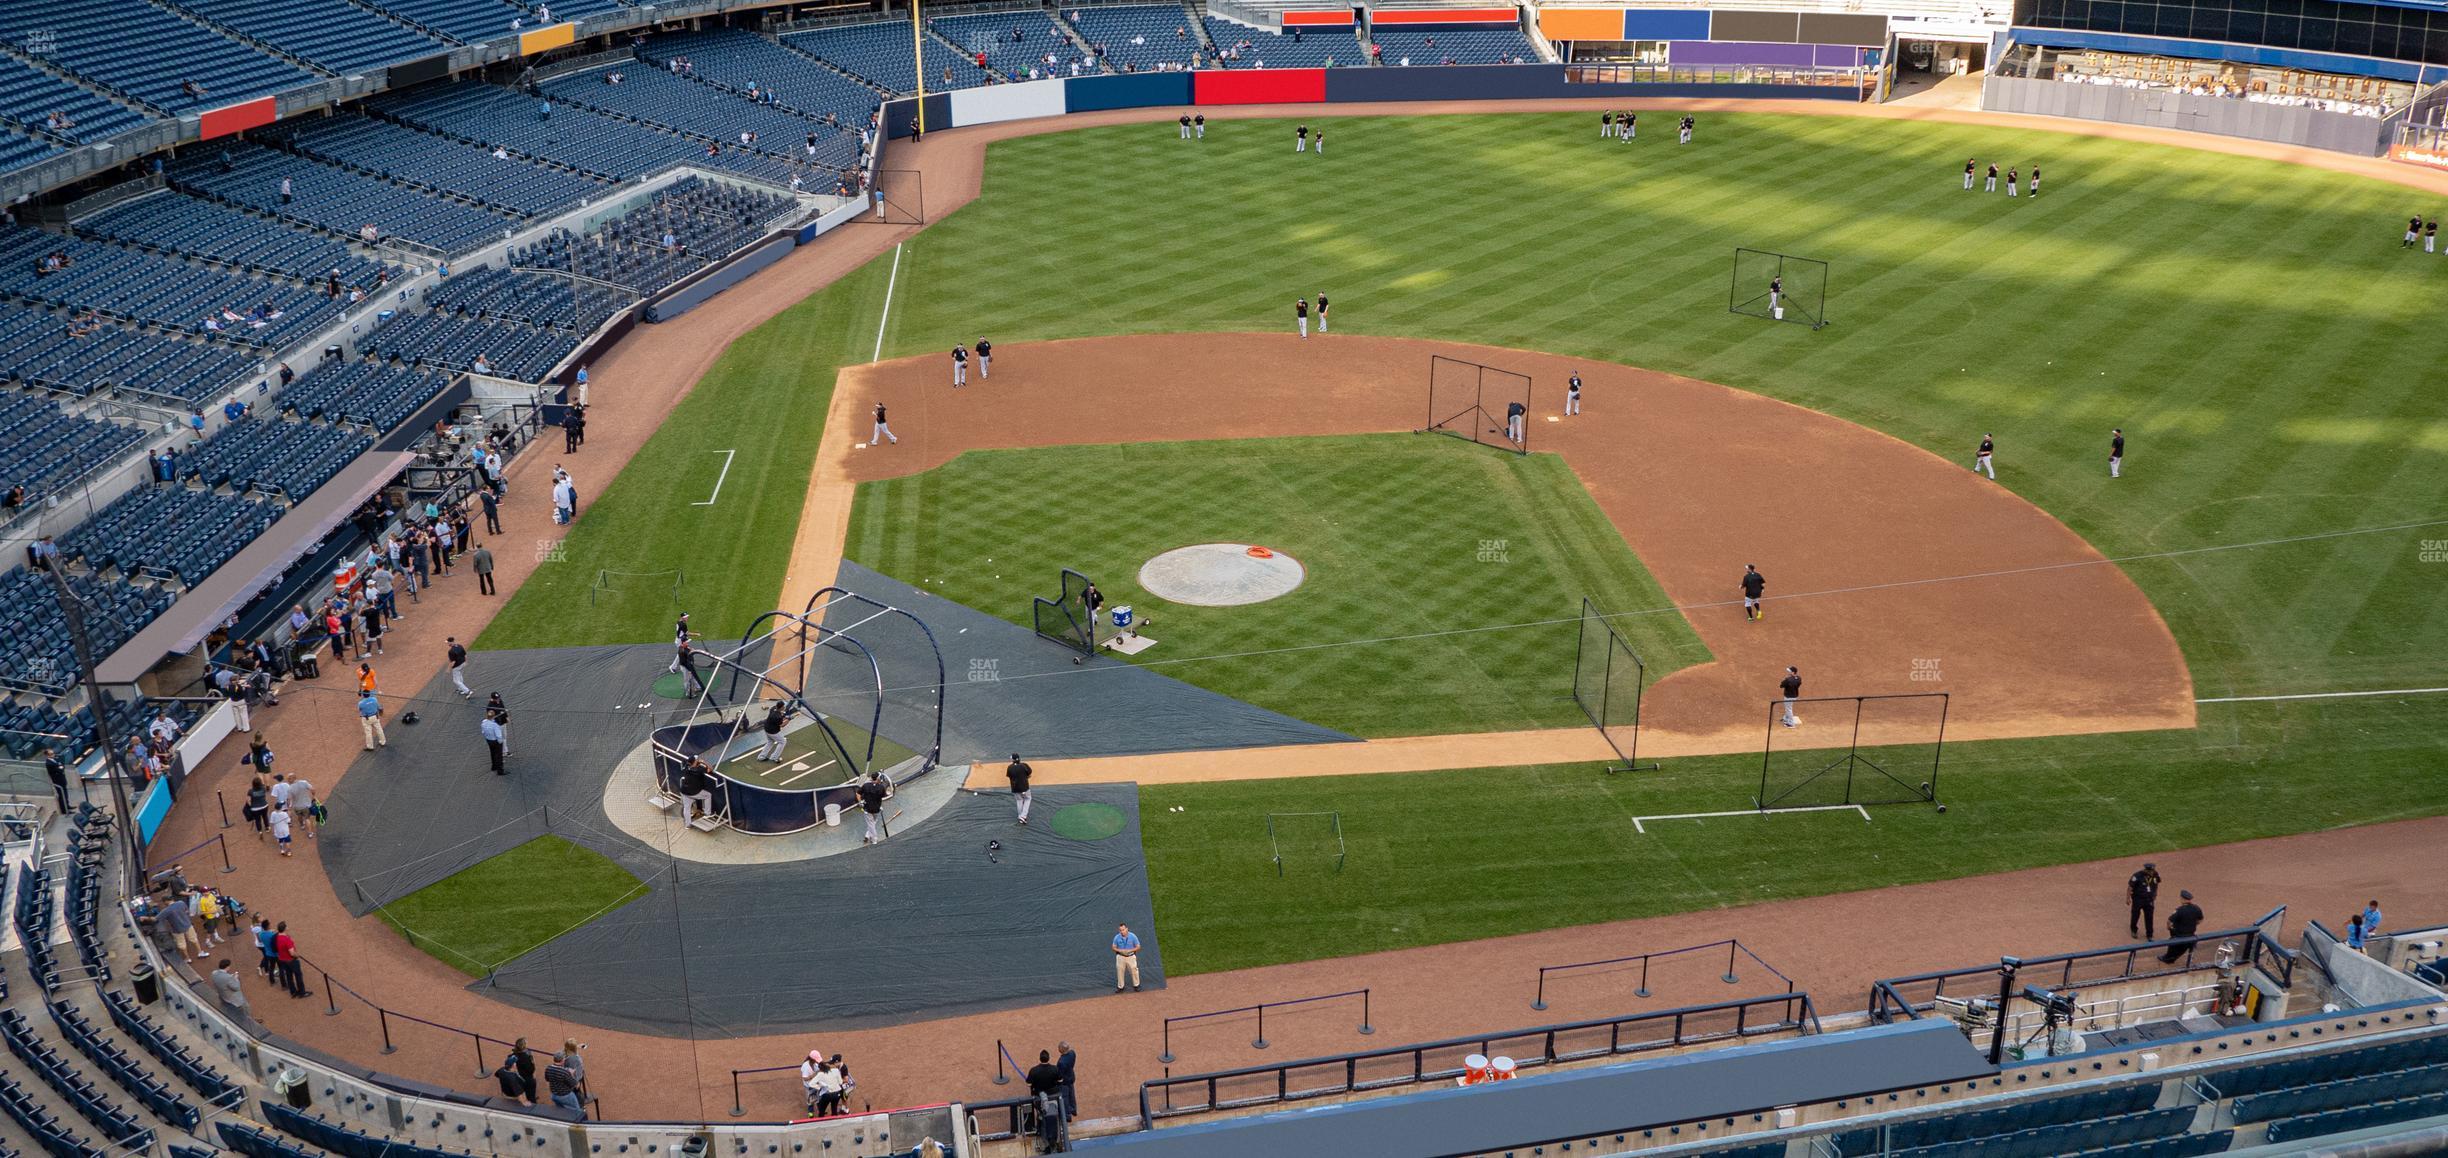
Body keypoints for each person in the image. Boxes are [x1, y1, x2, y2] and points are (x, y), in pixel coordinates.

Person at [2159, 891, 2203, 963]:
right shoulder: (2196, 908)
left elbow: (2169, 921)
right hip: (2191, 934)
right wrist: (2193, 924)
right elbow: (2200, 919)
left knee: (2172, 942)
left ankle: (2168, 958)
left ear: (2182, 898)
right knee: (2183, 946)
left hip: (2179, 935)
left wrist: (2169, 928)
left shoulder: (2179, 910)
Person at [2127, 862, 2161, 939]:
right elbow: (2130, 887)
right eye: (2151, 871)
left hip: (2149, 899)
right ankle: (2133, 930)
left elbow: (2156, 883)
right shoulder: (2137, 876)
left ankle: (2149, 934)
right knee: (2135, 915)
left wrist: (2155, 893)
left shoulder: (2155, 874)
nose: (2152, 872)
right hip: (2138, 899)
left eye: (2153, 871)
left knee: (2149, 917)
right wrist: (2128, 898)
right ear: (2146, 870)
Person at [678, 756, 715, 823]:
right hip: (693, 792)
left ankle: (688, 825)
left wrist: (697, 762)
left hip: (684, 791)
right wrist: (704, 762)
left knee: (687, 808)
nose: (698, 760)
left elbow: (691, 763)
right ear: (695, 762)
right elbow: (710, 769)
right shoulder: (699, 770)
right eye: (697, 759)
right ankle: (707, 813)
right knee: (708, 795)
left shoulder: (686, 767)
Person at [274, 922, 306, 996]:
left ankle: (293, 992)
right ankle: (302, 992)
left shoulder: (278, 937)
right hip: (291, 960)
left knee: (289, 976)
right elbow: (292, 953)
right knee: (298, 976)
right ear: (285, 928)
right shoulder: (287, 939)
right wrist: (297, 955)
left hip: (283, 960)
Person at [857, 773, 888, 844]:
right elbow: (884, 795)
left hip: (867, 809)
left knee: (871, 824)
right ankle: (874, 839)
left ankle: (871, 837)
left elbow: (858, 793)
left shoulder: (866, 785)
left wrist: (860, 802)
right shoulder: (881, 787)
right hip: (877, 809)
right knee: (872, 823)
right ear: (877, 778)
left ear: (871, 778)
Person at [507, 1039, 539, 1105]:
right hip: (527, 1078)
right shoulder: (525, 1057)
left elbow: (509, 1064)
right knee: (531, 1094)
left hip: (518, 1077)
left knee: (523, 1090)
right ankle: (533, 1106)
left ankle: (527, 1099)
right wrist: (532, 1062)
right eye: (526, 1043)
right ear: (523, 1046)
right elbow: (531, 1070)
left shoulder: (512, 1055)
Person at [1112, 923, 1142, 992]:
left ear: (1127, 929)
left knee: (1134, 970)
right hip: (1120, 957)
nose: (1122, 931)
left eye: (1123, 929)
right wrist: (1121, 950)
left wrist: (1130, 950)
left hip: (1131, 956)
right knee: (1120, 972)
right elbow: (1113, 947)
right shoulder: (1117, 937)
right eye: (1120, 930)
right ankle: (1120, 987)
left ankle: (1136, 985)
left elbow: (1138, 947)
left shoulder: (1133, 936)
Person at [1007, 753, 1033, 825]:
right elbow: (1029, 773)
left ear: (1012, 760)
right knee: (1028, 799)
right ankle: (1023, 816)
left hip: (1015, 788)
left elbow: (1010, 776)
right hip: (1025, 788)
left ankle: (1020, 816)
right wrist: (1026, 777)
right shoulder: (1024, 765)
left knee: (1019, 800)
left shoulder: (1009, 767)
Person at [41, 748, 68, 814]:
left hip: (62, 779)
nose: (53, 754)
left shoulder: (55, 759)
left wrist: (61, 767)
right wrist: (60, 768)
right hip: (57, 781)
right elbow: (59, 769)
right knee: (61, 795)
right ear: (47, 755)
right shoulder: (49, 763)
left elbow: (62, 766)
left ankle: (67, 805)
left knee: (65, 793)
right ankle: (64, 810)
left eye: (53, 753)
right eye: (51, 754)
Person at [1056, 1042, 1077, 1118]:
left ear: (1061, 1050)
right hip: (1071, 1076)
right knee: (1072, 1094)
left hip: (1065, 1081)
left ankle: (1067, 1115)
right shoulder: (1072, 1053)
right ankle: (1073, 1109)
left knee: (1065, 1097)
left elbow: (1060, 1074)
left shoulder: (1061, 1062)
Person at [482, 710, 507, 775]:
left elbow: (483, 732)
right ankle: (500, 771)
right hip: (496, 742)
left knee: (492, 753)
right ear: (493, 717)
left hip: (489, 740)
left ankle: (494, 767)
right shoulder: (495, 725)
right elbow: (499, 736)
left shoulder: (483, 722)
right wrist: (500, 742)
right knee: (499, 756)